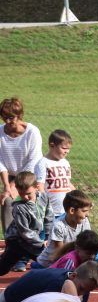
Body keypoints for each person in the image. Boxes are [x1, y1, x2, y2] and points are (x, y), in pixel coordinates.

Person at [0, 260, 98, 302]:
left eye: (88, 290)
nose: (82, 293)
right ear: (73, 276)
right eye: (81, 288)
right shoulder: (56, 284)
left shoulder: (81, 284)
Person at [0, 97, 44, 235]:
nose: (7, 121)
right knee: (7, 201)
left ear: (19, 115)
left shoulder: (32, 132)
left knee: (30, 203)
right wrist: (7, 185)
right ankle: (10, 241)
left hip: (31, 177)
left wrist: (16, 185)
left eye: (11, 117)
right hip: (11, 177)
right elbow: (0, 160)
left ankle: (33, 240)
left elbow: (33, 161)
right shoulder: (0, 132)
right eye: (4, 117)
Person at [0, 171, 52, 275]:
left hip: (32, 239)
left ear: (37, 187)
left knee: (49, 262)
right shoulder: (19, 207)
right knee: (3, 268)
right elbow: (25, 231)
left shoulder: (43, 197)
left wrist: (47, 237)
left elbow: (48, 217)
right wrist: (41, 243)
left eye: (28, 194)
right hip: (17, 241)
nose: (25, 197)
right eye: (21, 194)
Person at [34, 190, 92, 269]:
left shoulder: (84, 221)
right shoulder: (59, 225)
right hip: (46, 265)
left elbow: (87, 243)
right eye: (84, 211)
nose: (87, 215)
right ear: (72, 211)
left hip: (67, 259)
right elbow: (60, 253)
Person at [39, 129, 74, 220]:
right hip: (50, 213)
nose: (67, 151)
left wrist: (80, 197)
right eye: (64, 148)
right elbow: (40, 187)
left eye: (68, 149)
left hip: (65, 211)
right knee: (48, 234)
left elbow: (67, 183)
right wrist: (44, 207)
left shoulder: (65, 162)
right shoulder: (43, 163)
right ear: (52, 145)